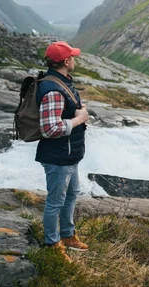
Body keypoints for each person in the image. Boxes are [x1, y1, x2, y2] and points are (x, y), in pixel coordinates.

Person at [36, 41, 90, 262]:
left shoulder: (61, 82)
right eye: (72, 57)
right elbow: (50, 129)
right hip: (59, 157)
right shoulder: (53, 90)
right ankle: (52, 243)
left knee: (71, 195)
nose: (75, 59)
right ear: (66, 61)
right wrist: (79, 119)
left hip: (69, 155)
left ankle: (67, 236)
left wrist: (78, 110)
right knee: (55, 201)